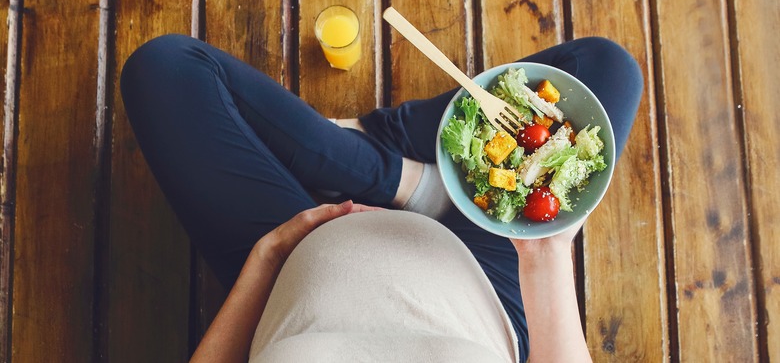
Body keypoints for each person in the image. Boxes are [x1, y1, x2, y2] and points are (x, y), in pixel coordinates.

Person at [120, 34, 643, 363]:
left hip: (288, 259)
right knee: (606, 68)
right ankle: (401, 172)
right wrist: (546, 255)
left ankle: (378, 159)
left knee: (166, 68)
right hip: (488, 280)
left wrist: (268, 257)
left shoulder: (273, 256)